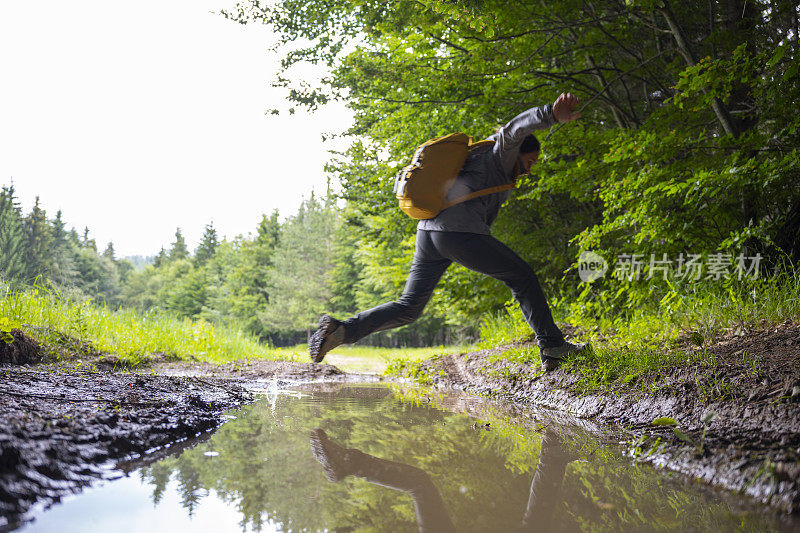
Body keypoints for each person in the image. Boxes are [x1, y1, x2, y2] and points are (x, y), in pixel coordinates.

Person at [310, 93, 586, 371]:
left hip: (429, 233)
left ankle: (342, 330)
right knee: (523, 277)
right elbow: (515, 129)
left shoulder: (477, 161)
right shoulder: (500, 154)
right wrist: (550, 113)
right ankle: (553, 347)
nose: (532, 166)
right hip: (458, 233)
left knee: (409, 307)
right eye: (532, 160)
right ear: (518, 152)